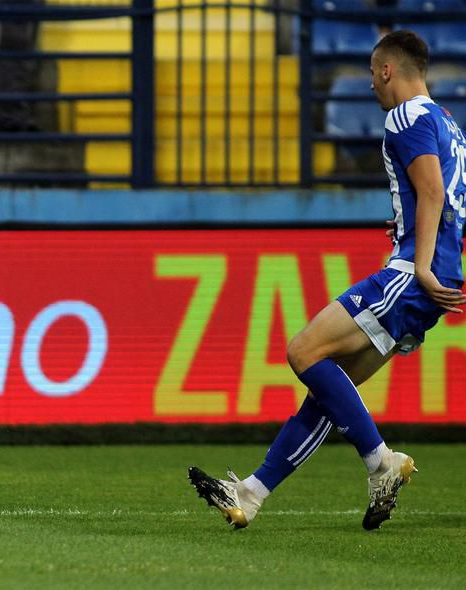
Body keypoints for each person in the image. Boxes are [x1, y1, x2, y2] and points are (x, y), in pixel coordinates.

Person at [189, 30, 466, 531]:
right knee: (328, 393)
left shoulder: (404, 116)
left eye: (370, 74)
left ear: (387, 70)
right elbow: (447, 200)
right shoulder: (450, 124)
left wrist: (421, 262)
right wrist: (416, 236)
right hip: (436, 277)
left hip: (411, 275)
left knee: (303, 352)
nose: (370, 86)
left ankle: (380, 462)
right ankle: (250, 494)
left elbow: (429, 192)